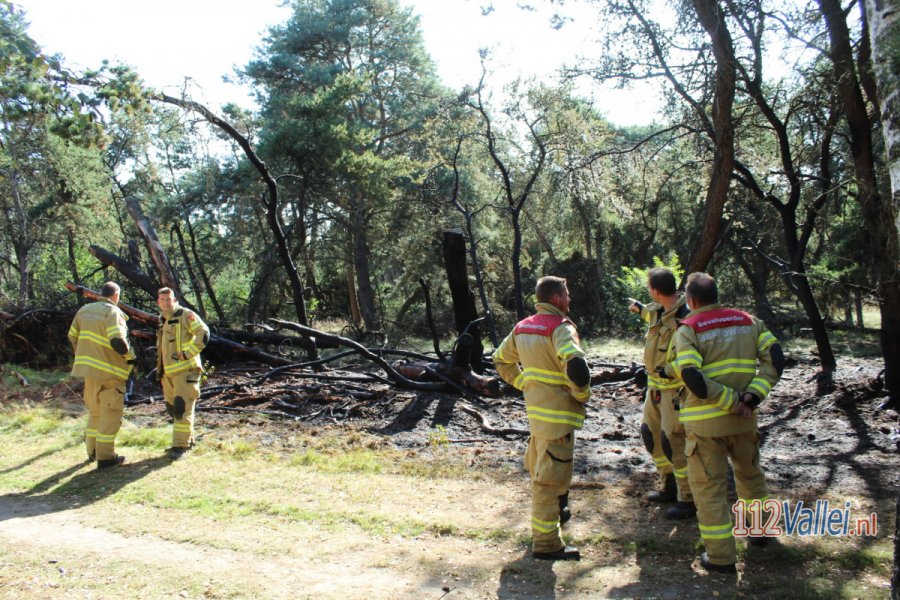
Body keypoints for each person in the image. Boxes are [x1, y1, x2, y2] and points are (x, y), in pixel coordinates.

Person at [672, 272, 784, 573]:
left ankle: (721, 557)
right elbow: (776, 358)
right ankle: (761, 531)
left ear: (691, 300)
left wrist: (729, 400)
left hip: (706, 426)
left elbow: (691, 376)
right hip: (744, 423)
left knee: (709, 490)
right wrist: (751, 398)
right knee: (751, 476)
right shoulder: (749, 321)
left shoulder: (688, 329)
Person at [493, 276, 591, 561]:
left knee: (546, 472)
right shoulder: (560, 328)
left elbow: (501, 359)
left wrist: (523, 383)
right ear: (557, 299)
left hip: (537, 417)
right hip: (558, 417)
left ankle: (557, 515)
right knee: (548, 481)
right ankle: (547, 543)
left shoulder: (523, 327)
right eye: (567, 294)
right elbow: (576, 364)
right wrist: (581, 393)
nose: (569, 300)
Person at [629, 268, 695, 519]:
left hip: (675, 392)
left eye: (649, 289)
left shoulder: (686, 315)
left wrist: (670, 372)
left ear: (656, 291)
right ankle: (667, 484)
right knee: (650, 436)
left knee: (673, 442)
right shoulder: (657, 311)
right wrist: (638, 307)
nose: (648, 294)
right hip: (654, 389)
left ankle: (687, 497)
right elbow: (650, 315)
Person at [68, 281, 135, 470]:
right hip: (110, 372)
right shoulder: (112, 312)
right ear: (116, 295)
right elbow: (117, 340)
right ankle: (105, 457)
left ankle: (92, 452)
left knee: (95, 413)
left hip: (89, 372)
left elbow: (72, 336)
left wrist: (83, 355)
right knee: (111, 414)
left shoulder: (84, 311)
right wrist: (131, 357)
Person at [156, 287, 210, 459]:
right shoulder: (163, 320)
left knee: (182, 407)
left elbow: (203, 333)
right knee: (172, 408)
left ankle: (180, 447)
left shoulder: (185, 315)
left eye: (168, 299)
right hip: (169, 374)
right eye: (162, 299)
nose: (166, 302)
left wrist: (188, 353)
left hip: (185, 371)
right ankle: (187, 440)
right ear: (158, 302)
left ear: (175, 299)